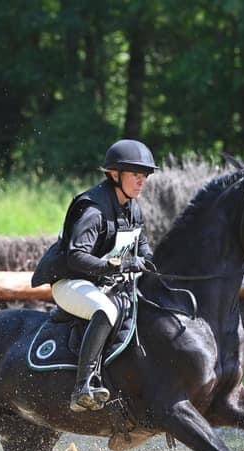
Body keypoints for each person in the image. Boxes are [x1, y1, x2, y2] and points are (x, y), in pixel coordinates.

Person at [31, 139, 158, 412]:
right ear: (115, 175)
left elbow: (144, 251)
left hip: (106, 283)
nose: (141, 181)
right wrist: (117, 265)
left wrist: (153, 266)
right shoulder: (93, 209)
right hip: (72, 282)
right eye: (135, 175)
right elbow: (75, 257)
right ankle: (83, 386)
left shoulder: (133, 208)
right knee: (106, 311)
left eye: (144, 175)